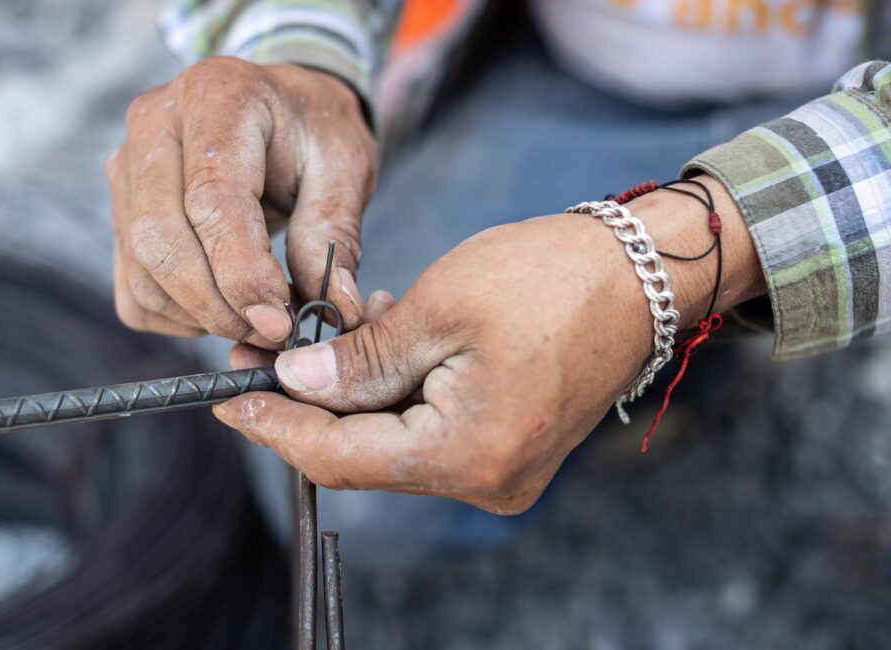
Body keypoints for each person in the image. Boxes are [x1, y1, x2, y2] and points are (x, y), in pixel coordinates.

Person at [106, 0, 891, 519]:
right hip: (576, 72)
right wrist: (295, 54)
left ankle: (698, 330)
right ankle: (672, 362)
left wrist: (661, 265)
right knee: (362, 491)